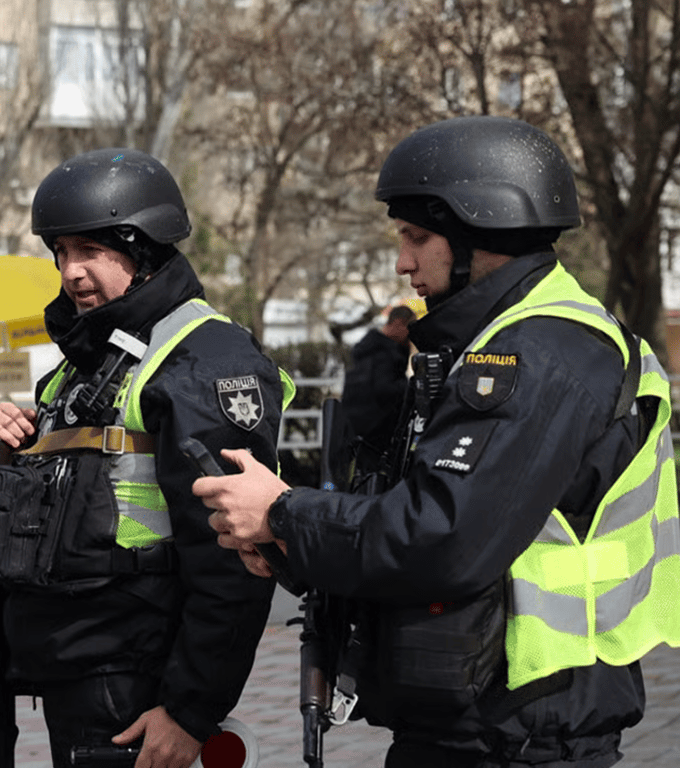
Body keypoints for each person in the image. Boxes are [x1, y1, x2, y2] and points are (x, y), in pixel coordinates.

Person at [195, 116, 680, 767]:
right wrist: (289, 544)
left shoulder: (540, 353)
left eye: (417, 237)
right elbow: (417, 510)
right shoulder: (496, 345)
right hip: (482, 722)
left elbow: (443, 537)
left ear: (482, 231)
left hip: (520, 734)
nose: (403, 262)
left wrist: (284, 512)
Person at [0, 148, 293, 768]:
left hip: (139, 680)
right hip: (77, 663)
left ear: (144, 250)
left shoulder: (203, 359)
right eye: (61, 251)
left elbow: (235, 562)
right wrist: (10, 457)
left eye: (90, 250)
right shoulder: (88, 360)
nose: (71, 271)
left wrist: (189, 710)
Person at [341, 305, 415, 453]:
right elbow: (385, 389)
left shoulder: (368, 348)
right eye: (409, 327)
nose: (410, 334)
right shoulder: (386, 354)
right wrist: (410, 387)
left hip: (358, 423)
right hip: (377, 427)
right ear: (398, 323)